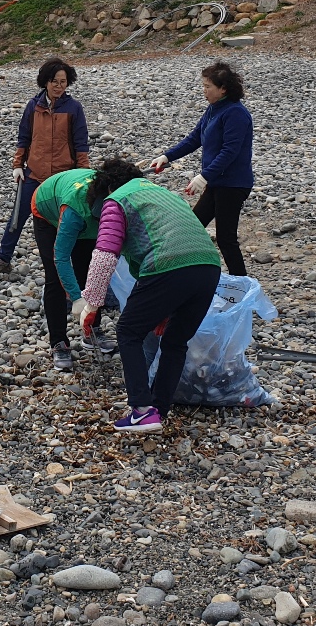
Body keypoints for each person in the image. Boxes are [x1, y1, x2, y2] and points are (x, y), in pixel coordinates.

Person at [79, 158, 222, 433]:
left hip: (167, 264)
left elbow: (104, 256)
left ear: (106, 186)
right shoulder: (164, 194)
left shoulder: (117, 199)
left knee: (128, 331)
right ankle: (159, 409)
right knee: (176, 340)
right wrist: (164, 307)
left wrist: (92, 303)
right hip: (208, 266)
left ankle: (142, 411)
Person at [0, 58, 90, 278]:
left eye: (63, 82)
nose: (59, 86)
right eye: (55, 82)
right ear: (45, 82)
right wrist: (17, 164)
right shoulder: (33, 106)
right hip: (34, 173)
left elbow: (81, 142)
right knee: (17, 217)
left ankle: (67, 267)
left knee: (65, 222)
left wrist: (84, 172)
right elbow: (24, 136)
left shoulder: (74, 108)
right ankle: (3, 259)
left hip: (63, 177)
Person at [150, 61, 255, 275]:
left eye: (208, 86)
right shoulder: (213, 109)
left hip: (233, 184)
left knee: (226, 238)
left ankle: (242, 286)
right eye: (203, 86)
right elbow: (195, 138)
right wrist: (167, 156)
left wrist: (203, 177)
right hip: (217, 182)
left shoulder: (236, 113)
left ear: (223, 89)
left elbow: (230, 152)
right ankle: (193, 274)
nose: (204, 91)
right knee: (194, 226)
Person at [29, 166, 119, 370]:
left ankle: (92, 332)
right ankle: (59, 343)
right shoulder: (74, 211)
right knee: (55, 278)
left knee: (91, 271)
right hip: (47, 210)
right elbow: (60, 258)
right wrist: (76, 298)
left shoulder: (117, 204)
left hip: (85, 218)